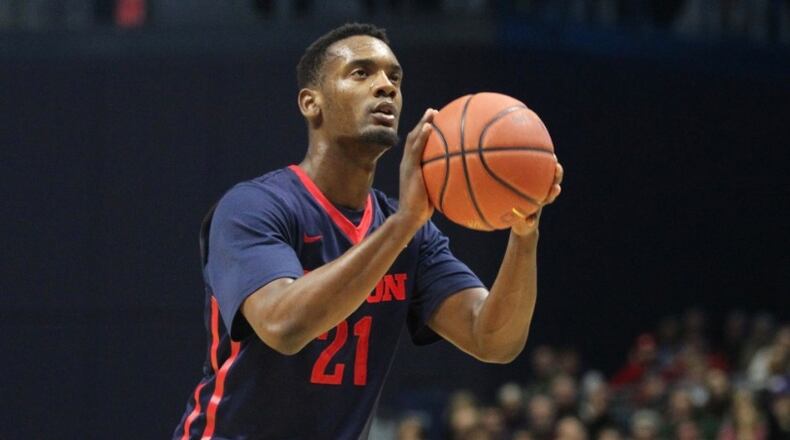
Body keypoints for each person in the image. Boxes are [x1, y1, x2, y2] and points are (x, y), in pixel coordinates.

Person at [173, 22, 563, 439]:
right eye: (361, 73)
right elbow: (283, 326)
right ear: (311, 103)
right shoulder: (253, 207)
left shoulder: (410, 231)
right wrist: (405, 224)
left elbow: (493, 339)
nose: (385, 87)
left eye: (394, 77)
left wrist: (524, 235)